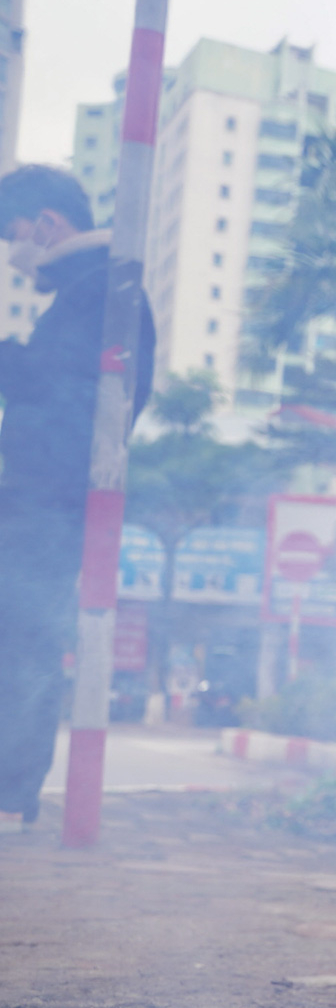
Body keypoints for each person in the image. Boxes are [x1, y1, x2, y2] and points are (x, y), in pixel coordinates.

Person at [0, 166, 155, 825]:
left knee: (26, 639)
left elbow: (70, 396)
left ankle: (8, 794)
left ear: (48, 223)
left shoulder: (104, 291)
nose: (14, 251)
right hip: (39, 495)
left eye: (15, 235)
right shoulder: (90, 291)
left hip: (51, 499)